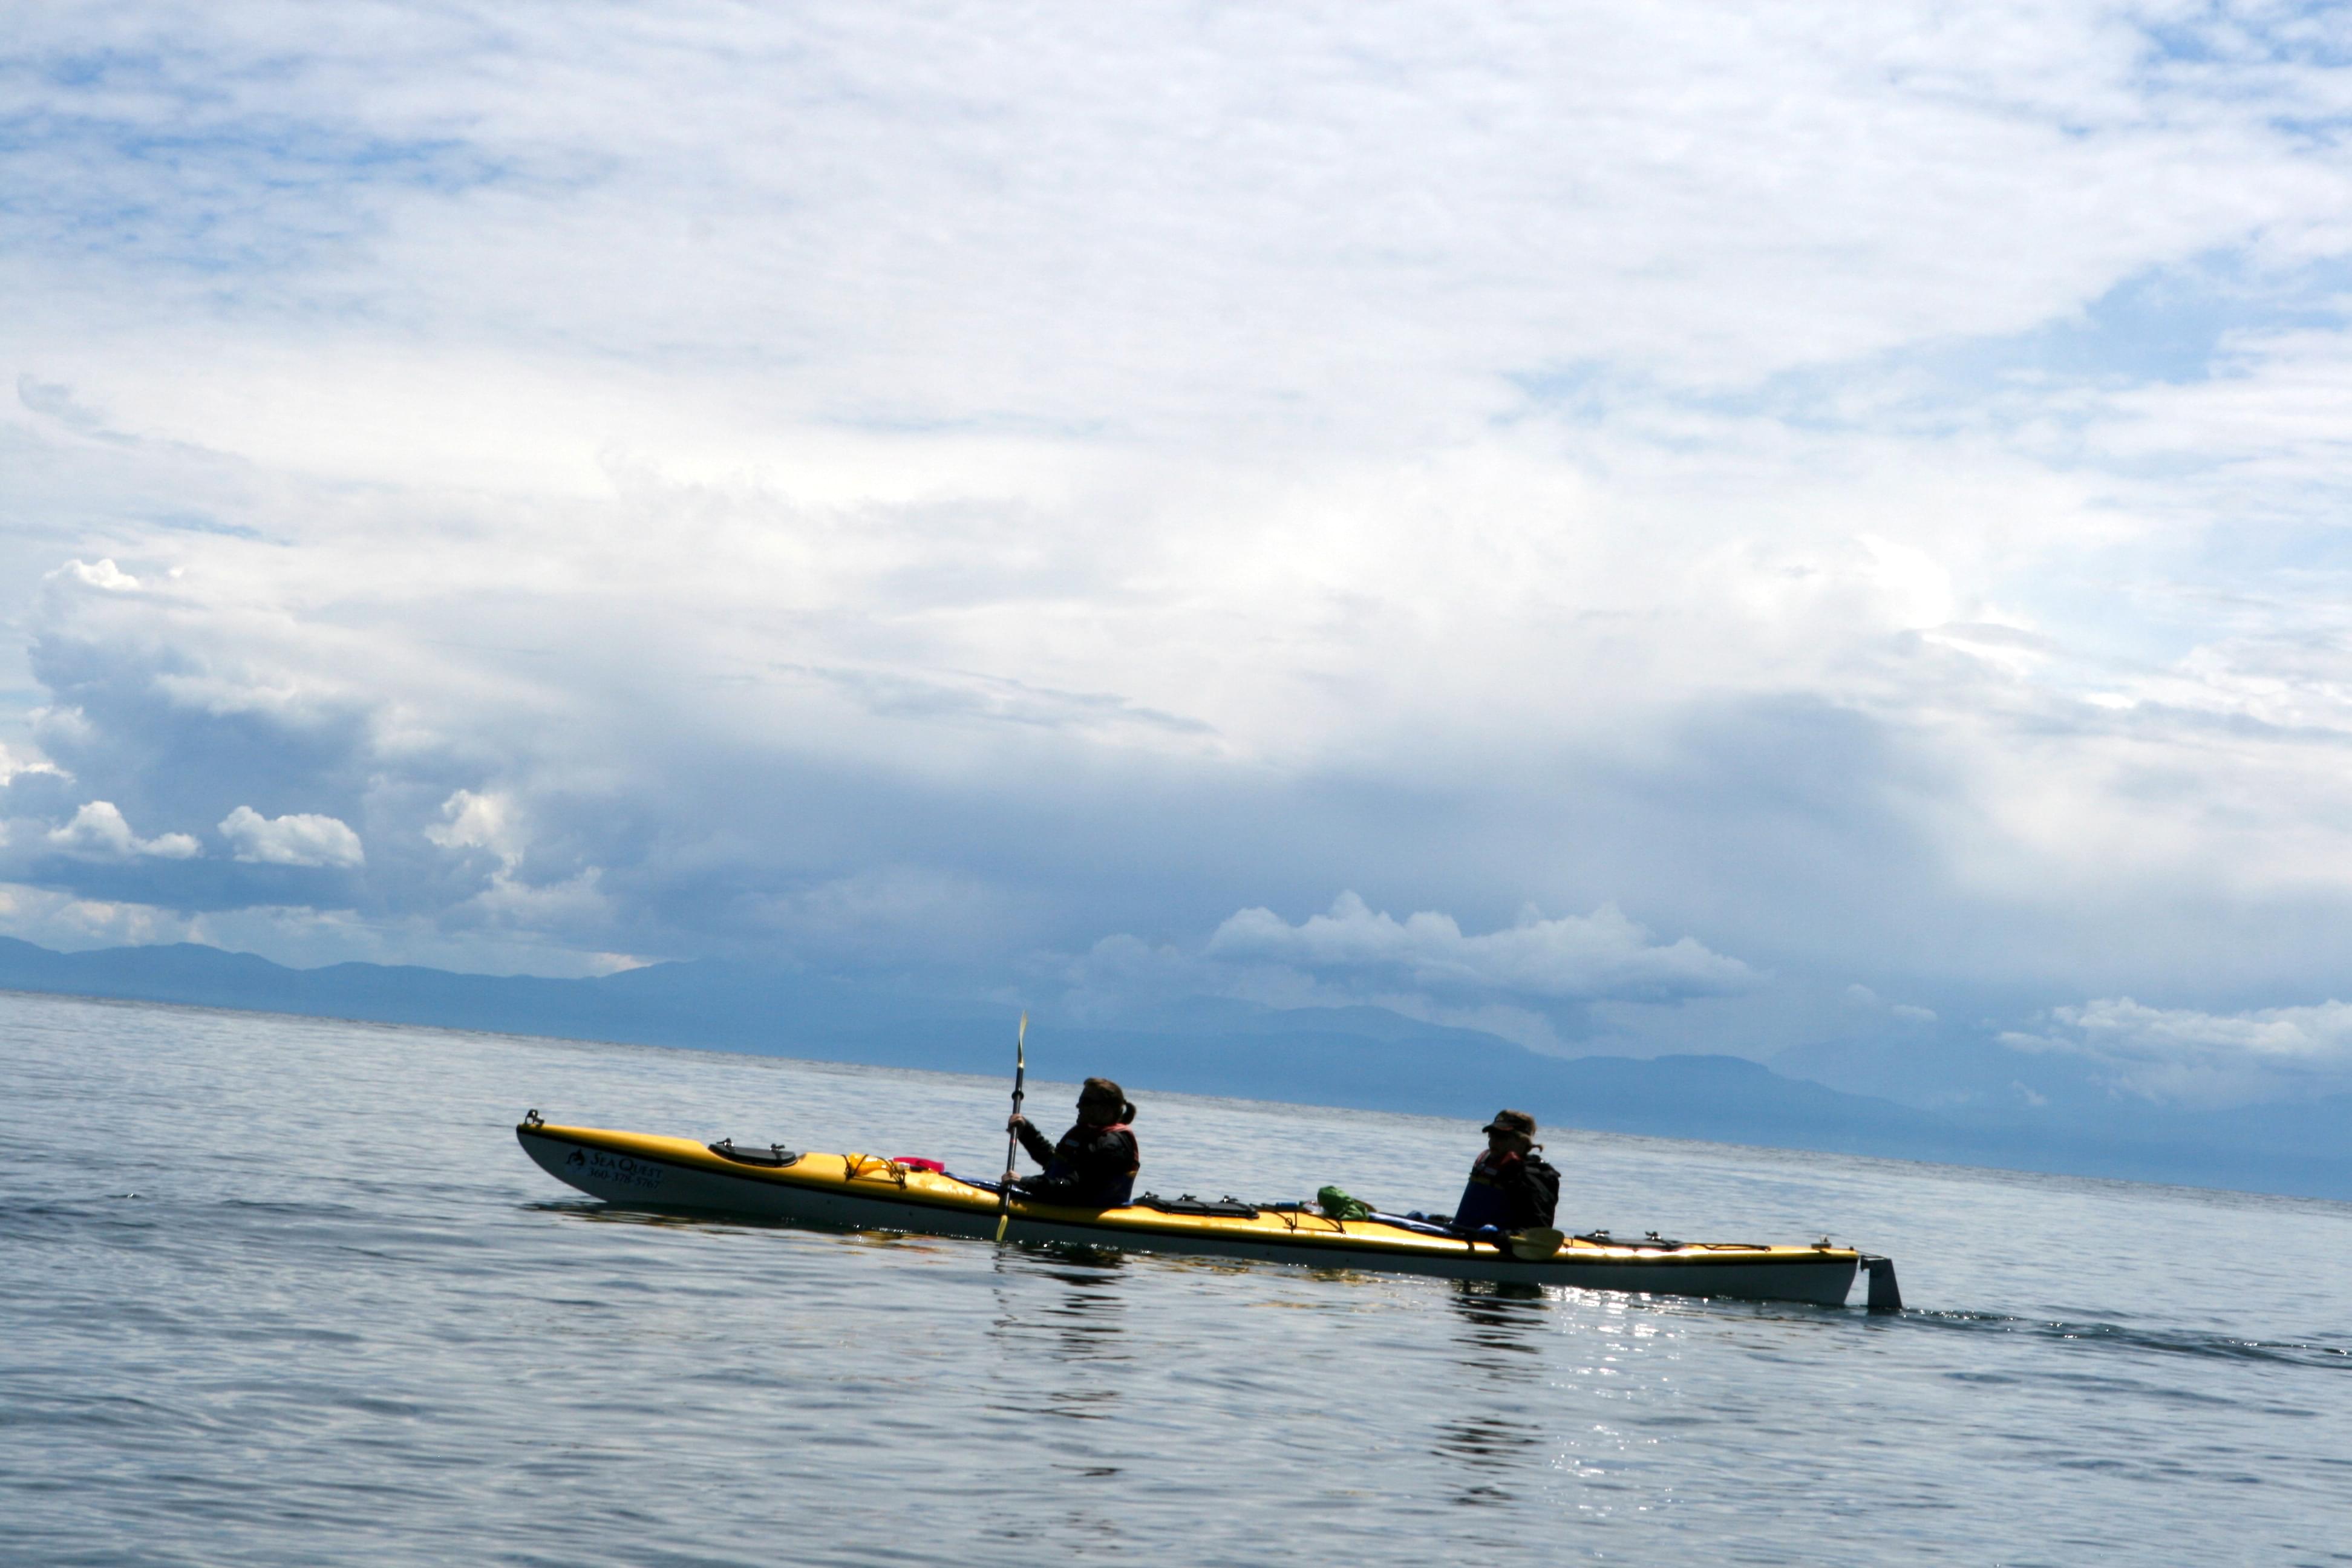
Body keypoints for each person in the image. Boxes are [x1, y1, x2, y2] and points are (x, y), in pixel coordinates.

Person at [1007, 1076, 1140, 1207]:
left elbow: (1074, 1187)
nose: (1078, 1105)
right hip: (1063, 1202)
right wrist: (1026, 1132)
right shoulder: (1087, 1133)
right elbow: (1054, 1163)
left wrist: (1026, 1182)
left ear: (1106, 1110)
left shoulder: (1111, 1146)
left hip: (1088, 1212)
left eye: (1085, 1101)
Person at [1450, 1108, 1558, 1232]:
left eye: (1502, 1137)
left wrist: (1505, 1236)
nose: (1493, 1142)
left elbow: (1539, 1227)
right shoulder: (1488, 1162)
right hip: (1462, 1233)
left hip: (1498, 1243)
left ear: (1522, 1141)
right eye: (1492, 1136)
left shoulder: (1532, 1175)